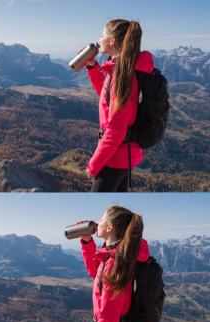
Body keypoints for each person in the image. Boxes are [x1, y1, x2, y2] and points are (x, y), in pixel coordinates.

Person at [76, 205, 150, 322]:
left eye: (101, 220)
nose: (97, 222)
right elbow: (97, 273)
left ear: (109, 227)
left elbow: (108, 321)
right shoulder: (119, 255)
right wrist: (87, 241)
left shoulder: (115, 263)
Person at [84, 19, 155, 192]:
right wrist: (93, 68)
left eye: (102, 36)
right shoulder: (121, 69)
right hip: (124, 155)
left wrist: (93, 165)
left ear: (112, 41)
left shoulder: (121, 74)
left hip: (115, 158)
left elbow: (116, 130)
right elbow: (108, 96)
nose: (99, 40)